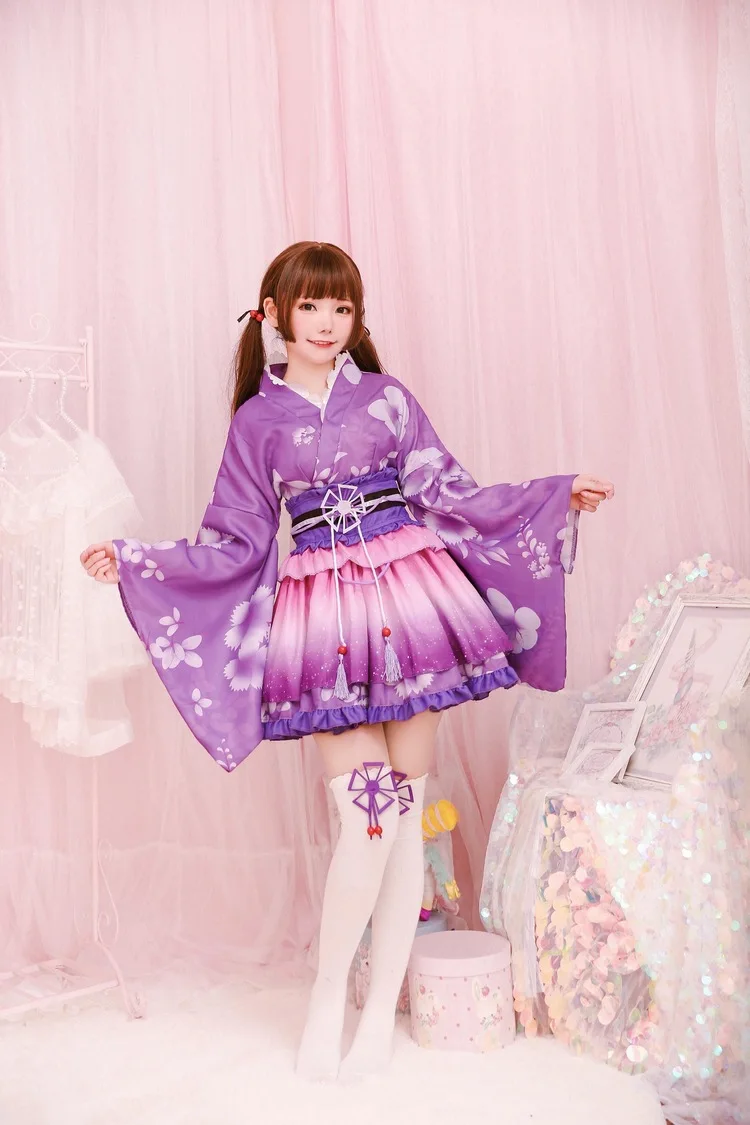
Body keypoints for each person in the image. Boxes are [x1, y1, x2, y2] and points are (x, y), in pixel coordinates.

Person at [81, 240, 613, 1081]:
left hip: (413, 610)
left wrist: (552, 494)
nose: (328, 323)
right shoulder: (257, 422)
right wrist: (140, 561)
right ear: (274, 314)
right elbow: (236, 538)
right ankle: (328, 995)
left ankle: (374, 1018)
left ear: (356, 317)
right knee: (367, 820)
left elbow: (450, 491)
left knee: (404, 821)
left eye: (342, 307)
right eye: (311, 306)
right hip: (323, 627)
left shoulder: (388, 399)